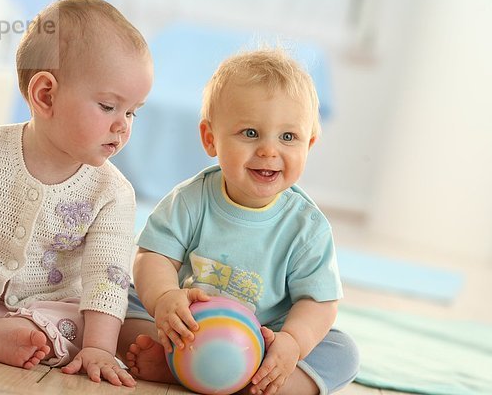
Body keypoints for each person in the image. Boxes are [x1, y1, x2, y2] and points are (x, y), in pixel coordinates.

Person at [0, 0, 152, 387]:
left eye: (133, 111)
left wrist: (101, 348)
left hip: (36, 307)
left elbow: (108, 279)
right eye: (109, 106)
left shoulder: (113, 194)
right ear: (46, 96)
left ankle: (13, 336)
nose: (123, 125)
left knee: (79, 319)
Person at [118, 48, 359, 395]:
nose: (268, 151)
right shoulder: (190, 200)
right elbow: (153, 257)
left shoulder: (307, 227)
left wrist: (292, 342)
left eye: (288, 137)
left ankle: (256, 380)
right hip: (187, 328)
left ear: (310, 143)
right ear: (210, 138)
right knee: (121, 301)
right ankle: (180, 364)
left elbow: (318, 302)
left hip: (264, 338)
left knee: (342, 353)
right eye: (250, 133)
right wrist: (166, 297)